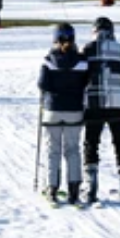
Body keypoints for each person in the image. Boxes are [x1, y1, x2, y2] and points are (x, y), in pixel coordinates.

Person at [82, 16, 120, 204]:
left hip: (93, 104)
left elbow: (79, 77)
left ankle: (91, 187)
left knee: (91, 143)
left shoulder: (86, 50)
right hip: (119, 105)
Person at [38, 22, 89, 205]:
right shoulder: (82, 61)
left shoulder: (49, 60)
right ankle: (74, 191)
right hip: (74, 110)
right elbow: (86, 82)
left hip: (53, 110)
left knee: (53, 150)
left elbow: (42, 84)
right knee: (73, 150)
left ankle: (52, 189)